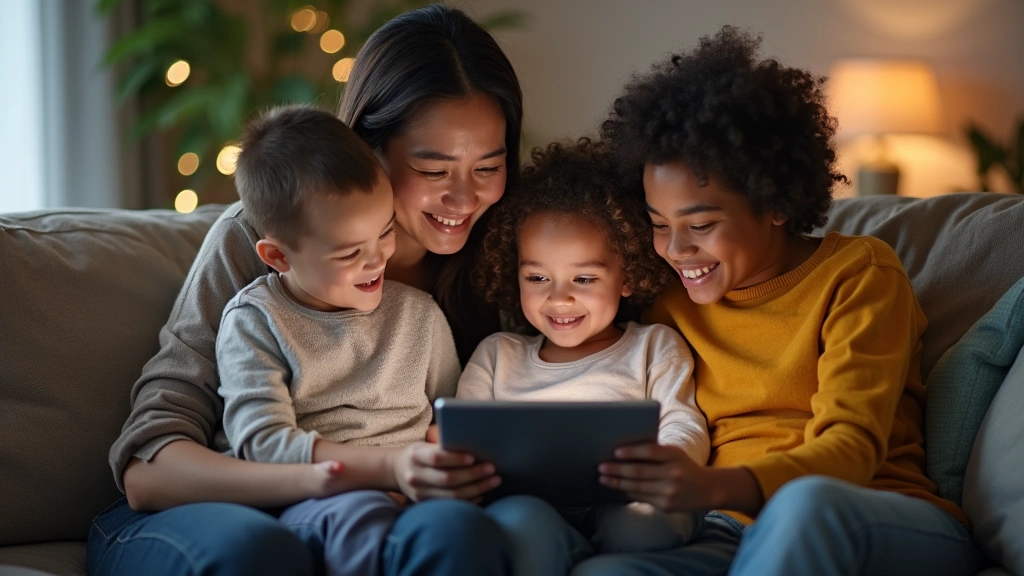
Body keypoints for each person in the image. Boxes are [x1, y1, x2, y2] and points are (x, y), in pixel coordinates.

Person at [87, 6, 523, 576]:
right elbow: (150, 468)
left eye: (487, 168)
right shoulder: (260, 242)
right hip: (215, 509)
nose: (464, 199)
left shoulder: (510, 257)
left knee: (457, 536)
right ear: (367, 151)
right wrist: (351, 476)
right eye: (434, 170)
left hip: (386, 509)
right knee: (256, 554)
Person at [573, 26, 980, 576]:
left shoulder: (859, 272)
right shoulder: (667, 302)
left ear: (776, 203)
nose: (675, 248)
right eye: (658, 224)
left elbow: (852, 449)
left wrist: (713, 484)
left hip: (877, 514)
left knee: (804, 505)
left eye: (702, 224)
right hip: (728, 529)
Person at [216, 104, 482, 576]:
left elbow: (454, 416)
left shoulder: (419, 315)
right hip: (322, 501)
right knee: (360, 519)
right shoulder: (255, 322)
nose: (377, 259)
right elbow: (261, 442)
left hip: (417, 497)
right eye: (349, 251)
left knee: (462, 529)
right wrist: (388, 468)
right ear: (278, 255)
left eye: (384, 233)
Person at [456, 139, 711, 574]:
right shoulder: (497, 355)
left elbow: (683, 422)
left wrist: (663, 469)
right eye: (537, 276)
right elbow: (465, 436)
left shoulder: (652, 346)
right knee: (517, 525)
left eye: (584, 277)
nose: (559, 298)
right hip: (532, 507)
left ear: (627, 275)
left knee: (649, 523)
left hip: (629, 500)